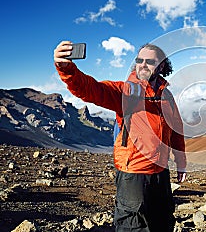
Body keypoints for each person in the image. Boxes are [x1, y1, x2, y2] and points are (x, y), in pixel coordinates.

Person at [54, 41, 187, 232]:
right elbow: (90, 89)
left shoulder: (166, 96)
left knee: (163, 220)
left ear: (162, 66)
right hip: (133, 172)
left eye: (149, 61)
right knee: (132, 225)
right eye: (139, 60)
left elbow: (176, 130)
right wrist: (66, 68)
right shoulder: (125, 91)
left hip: (161, 172)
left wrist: (181, 161)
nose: (142, 64)